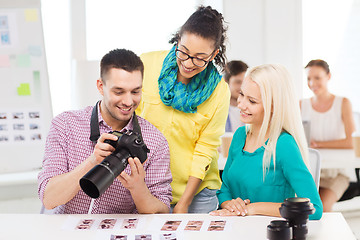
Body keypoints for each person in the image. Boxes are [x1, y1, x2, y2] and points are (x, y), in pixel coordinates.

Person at [38, 49, 172, 214]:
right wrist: (93, 161)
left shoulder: (155, 141)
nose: (128, 101)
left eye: (135, 91)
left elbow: (162, 212)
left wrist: (138, 188)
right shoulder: (65, 125)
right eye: (119, 92)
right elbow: (49, 199)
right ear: (101, 86)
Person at [136, 6, 230, 213]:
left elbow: (205, 148)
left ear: (214, 54)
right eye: (184, 52)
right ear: (178, 40)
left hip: (196, 194)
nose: (188, 63)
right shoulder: (146, 64)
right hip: (148, 186)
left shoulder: (220, 92)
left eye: (199, 57)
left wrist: (184, 202)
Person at [210, 64, 323, 220]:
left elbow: (314, 209)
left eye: (252, 101)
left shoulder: (284, 145)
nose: (241, 104)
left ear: (273, 106)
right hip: (236, 227)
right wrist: (230, 204)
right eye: (242, 94)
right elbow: (225, 189)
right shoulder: (239, 136)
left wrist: (252, 208)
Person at [300, 59, 355, 212]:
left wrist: (319, 144)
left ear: (328, 76)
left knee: (321, 209)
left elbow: (352, 142)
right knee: (303, 207)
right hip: (311, 171)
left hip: (337, 173)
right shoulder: (301, 104)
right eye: (309, 79)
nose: (312, 83)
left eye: (317, 78)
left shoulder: (343, 102)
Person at [224, 60, 248, 132]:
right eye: (238, 82)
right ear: (226, 82)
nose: (242, 87)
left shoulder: (253, 111)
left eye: (245, 82)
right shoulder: (216, 110)